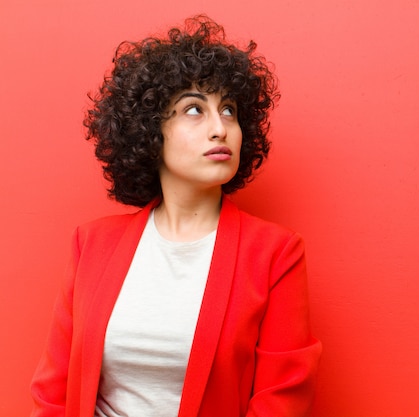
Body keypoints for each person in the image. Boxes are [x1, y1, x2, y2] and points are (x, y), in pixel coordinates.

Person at [30, 15, 321, 417]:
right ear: (151, 130)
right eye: (194, 110)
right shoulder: (91, 244)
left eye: (230, 110)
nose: (220, 128)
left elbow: (282, 400)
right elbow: (52, 392)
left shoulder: (276, 254)